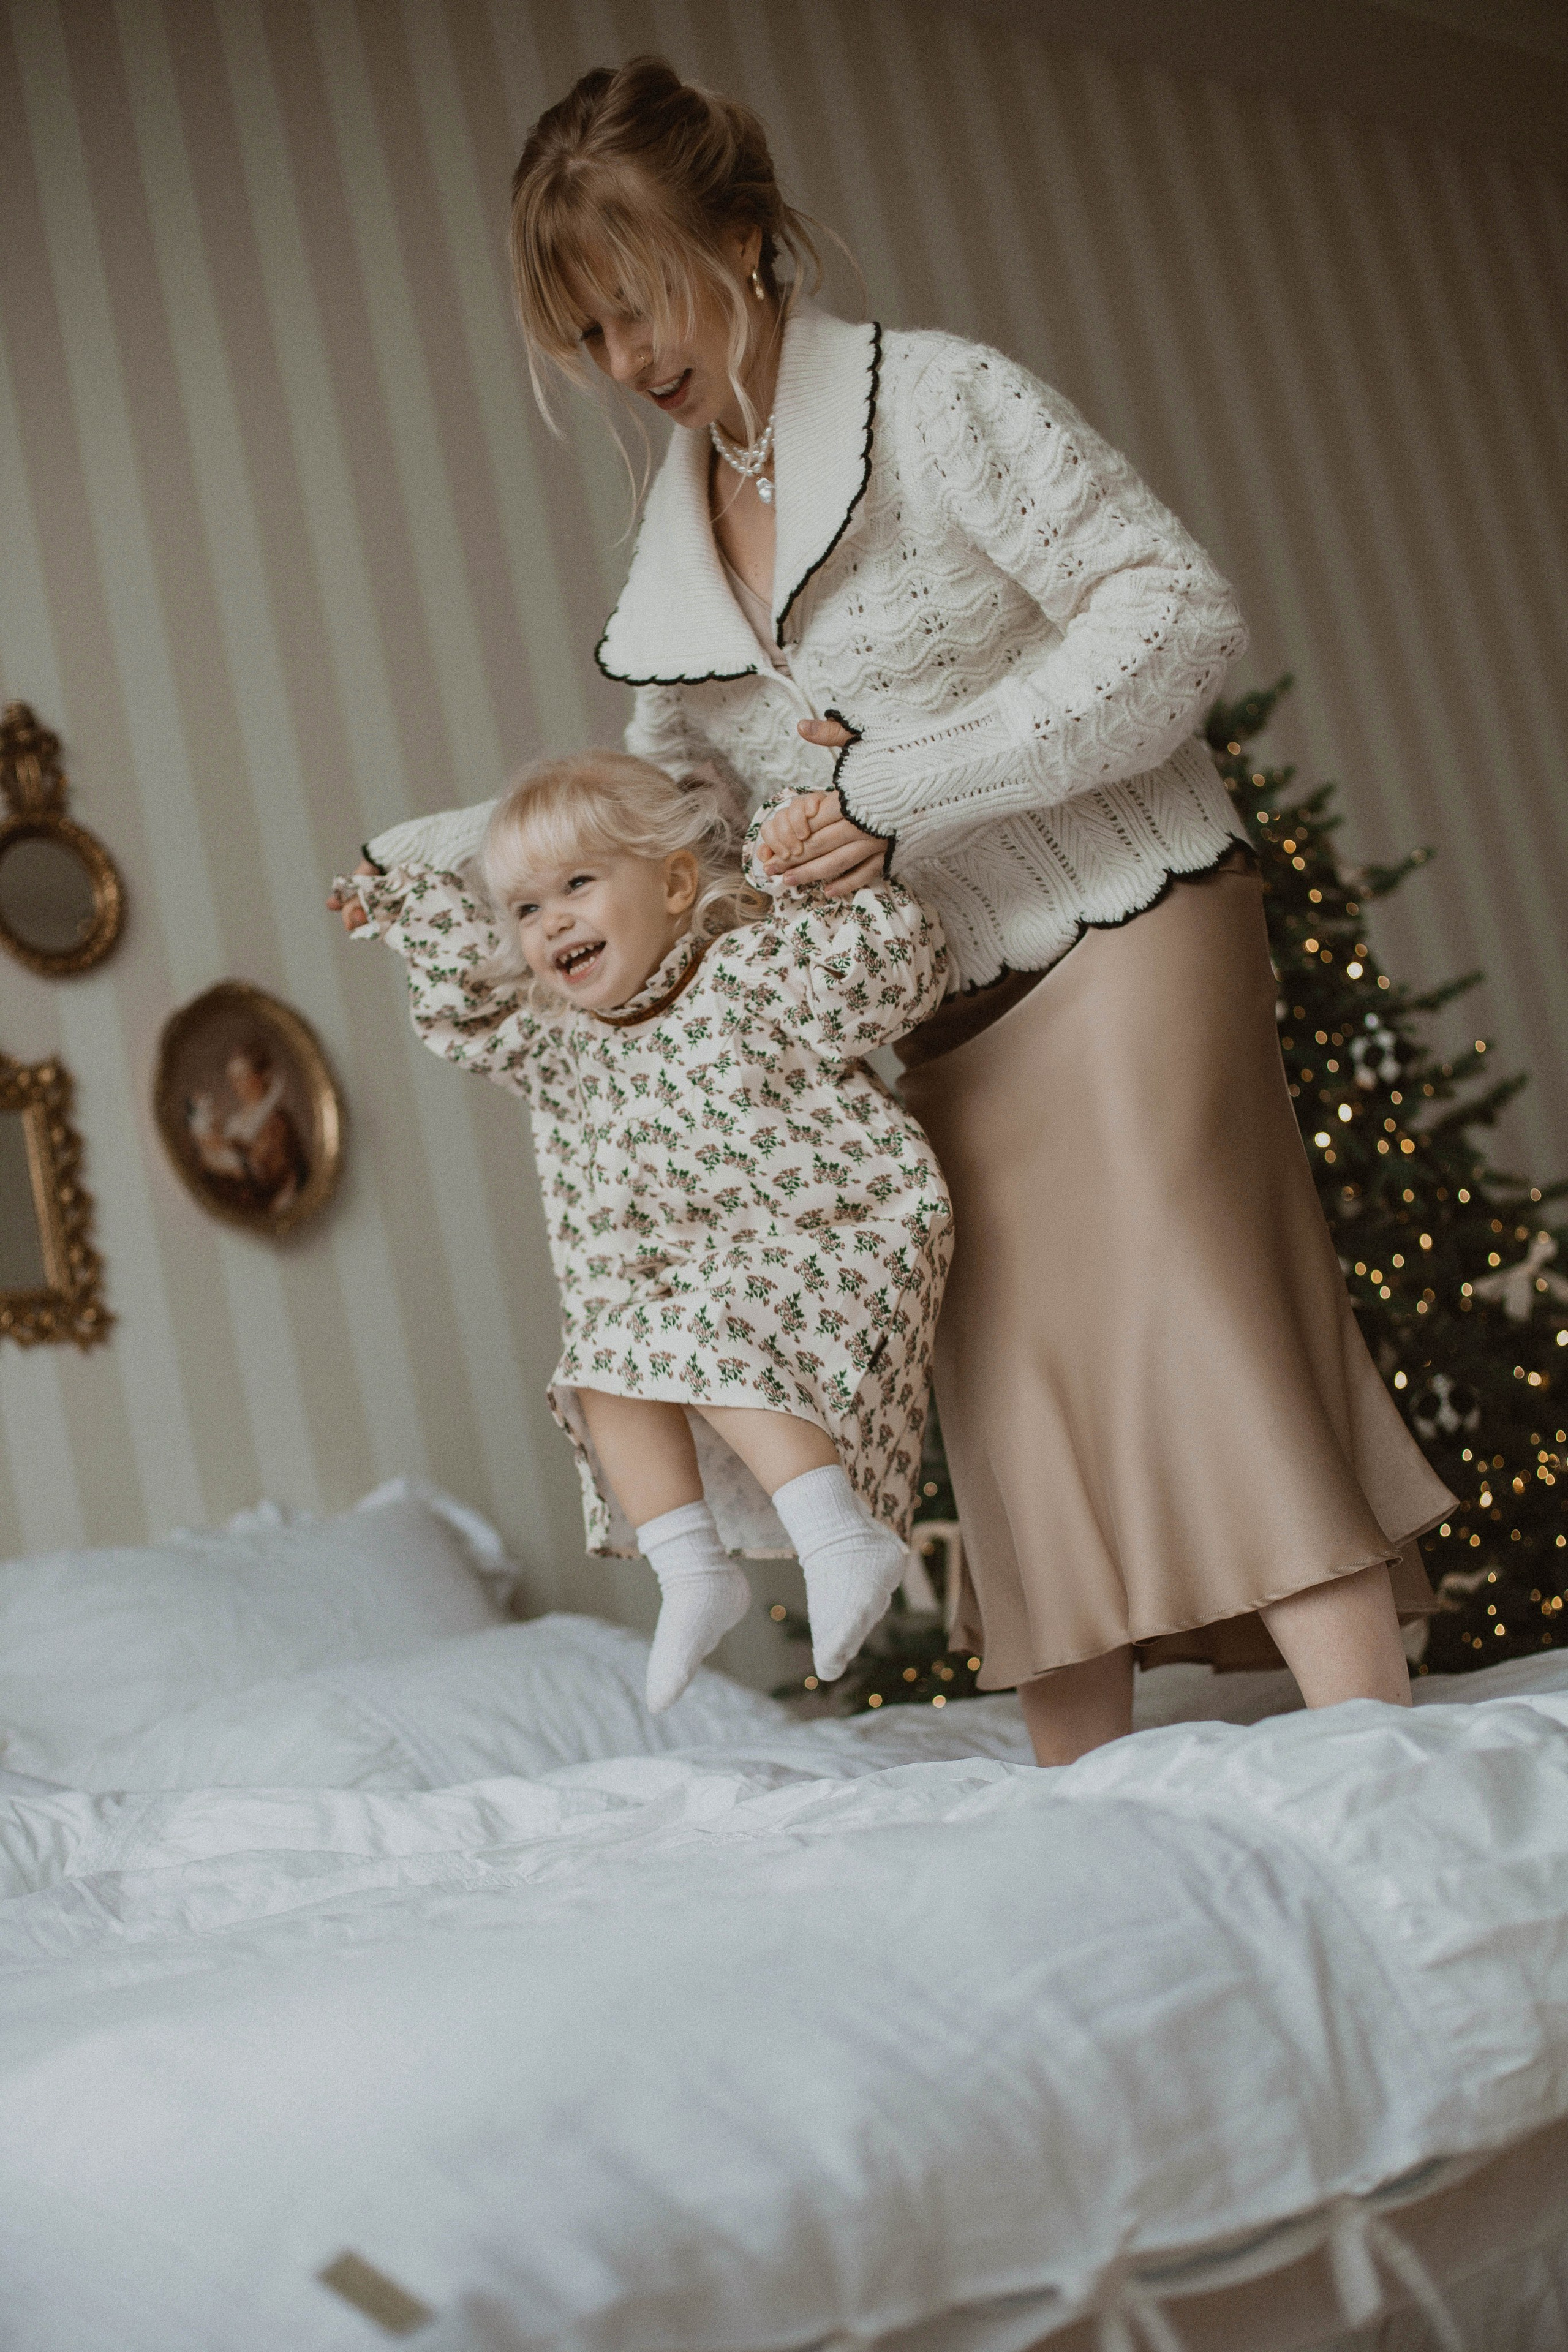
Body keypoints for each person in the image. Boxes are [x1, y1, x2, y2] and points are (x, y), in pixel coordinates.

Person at [347, 54, 1455, 1763]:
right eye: (587, 337)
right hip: (920, 1007)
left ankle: (1382, 1768)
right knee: (1004, 1395)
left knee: (1192, 1304)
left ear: (742, 232)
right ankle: (1084, 1813)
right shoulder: (672, 535)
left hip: (1127, 914)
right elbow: (684, 816)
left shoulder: (941, 402)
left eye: (641, 301)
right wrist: (468, 858)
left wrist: (896, 788)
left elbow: (1177, 616)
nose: (629, 362)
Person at [329, 751, 951, 1713]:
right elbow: (471, 1014)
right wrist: (408, 906)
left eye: (579, 884)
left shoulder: (744, 972)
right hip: (707, 1289)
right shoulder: (566, 1043)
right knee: (603, 1361)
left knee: (689, 1330)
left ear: (671, 882)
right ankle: (692, 1571)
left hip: (840, 1237)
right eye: (527, 910)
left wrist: (827, 885)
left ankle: (840, 1536)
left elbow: (883, 981)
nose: (553, 923)